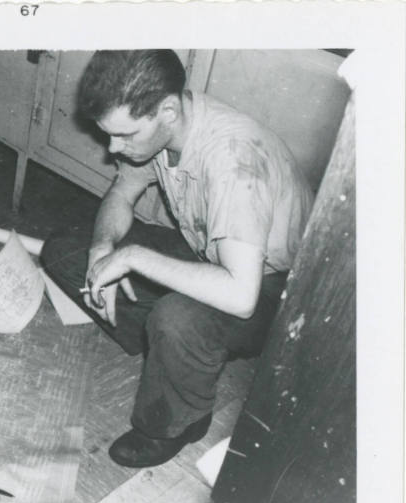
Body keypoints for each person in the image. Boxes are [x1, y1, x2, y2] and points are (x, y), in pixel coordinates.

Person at [40, 50, 314, 469]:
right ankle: (161, 349)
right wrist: (103, 249)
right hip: (210, 253)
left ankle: (178, 420)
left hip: (277, 290)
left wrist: (132, 256)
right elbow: (121, 194)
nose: (113, 147)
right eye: (109, 134)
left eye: (125, 135)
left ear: (167, 111)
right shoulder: (167, 123)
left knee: (177, 319)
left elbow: (241, 295)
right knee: (64, 252)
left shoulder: (232, 159)